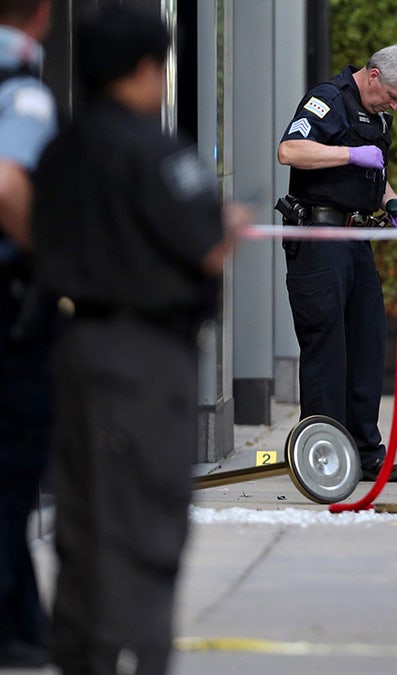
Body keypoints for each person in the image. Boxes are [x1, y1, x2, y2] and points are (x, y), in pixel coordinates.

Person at [30, 8, 245, 672]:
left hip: (73, 347)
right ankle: (143, 656)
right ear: (147, 69)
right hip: (147, 355)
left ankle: (82, 654)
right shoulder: (157, 153)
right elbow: (205, 245)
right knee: (148, 518)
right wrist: (229, 226)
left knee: (83, 521)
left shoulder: (60, 149)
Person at [277, 44, 397, 483]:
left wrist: (391, 199)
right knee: (327, 347)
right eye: (393, 96)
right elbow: (290, 150)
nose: (394, 106)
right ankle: (324, 455)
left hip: (356, 237)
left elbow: (372, 174)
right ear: (373, 75)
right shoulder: (329, 99)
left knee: (367, 342)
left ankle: (365, 451)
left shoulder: (376, 117)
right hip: (320, 238)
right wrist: (347, 154)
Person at [0, 0, 54, 667]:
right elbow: (10, 182)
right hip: (10, 304)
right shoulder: (21, 85)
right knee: (13, 467)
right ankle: (14, 621)